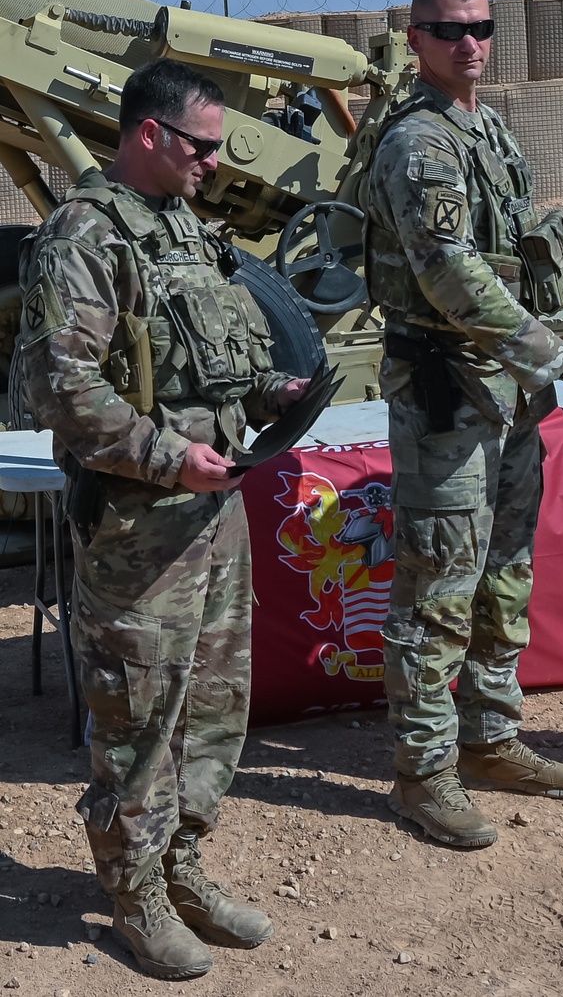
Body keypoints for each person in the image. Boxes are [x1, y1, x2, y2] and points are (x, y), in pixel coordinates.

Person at [18, 58, 310, 978]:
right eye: (202, 145)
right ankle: (133, 891)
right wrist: (167, 456)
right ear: (150, 133)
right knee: (139, 713)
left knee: (212, 710)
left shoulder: (185, 228)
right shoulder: (83, 235)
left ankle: (182, 865)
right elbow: (58, 387)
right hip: (138, 529)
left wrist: (275, 388)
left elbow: (218, 358)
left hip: (213, 518)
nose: (215, 164)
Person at [364, 0, 563, 849]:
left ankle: (488, 736)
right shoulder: (420, 142)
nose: (468, 43)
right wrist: (562, 357)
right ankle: (423, 770)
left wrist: (560, 246)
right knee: (438, 584)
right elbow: (447, 272)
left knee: (506, 569)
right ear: (415, 39)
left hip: (509, 392)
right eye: (448, 31)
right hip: (451, 394)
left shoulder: (487, 127)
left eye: (480, 27)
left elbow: (494, 244)